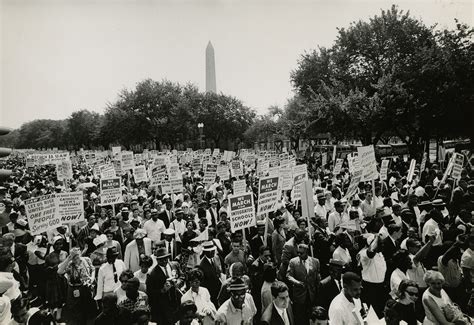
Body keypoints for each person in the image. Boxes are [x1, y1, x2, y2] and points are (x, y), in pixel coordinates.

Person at [58, 246, 97, 324]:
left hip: (85, 288)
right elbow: (59, 271)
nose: (76, 259)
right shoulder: (69, 264)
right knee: (75, 311)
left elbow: (93, 269)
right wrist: (69, 258)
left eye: (77, 256)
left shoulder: (86, 260)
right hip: (73, 289)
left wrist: (92, 278)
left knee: (87, 309)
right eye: (73, 257)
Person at [146, 247, 182, 325]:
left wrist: (179, 282)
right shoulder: (152, 274)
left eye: (166, 258)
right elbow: (150, 293)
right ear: (157, 260)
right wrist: (162, 290)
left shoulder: (174, 265)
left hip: (176, 303)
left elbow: (182, 276)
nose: (164, 261)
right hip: (163, 307)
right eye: (161, 259)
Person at [287, 243, 320, 325]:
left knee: (311, 316)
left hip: (311, 295)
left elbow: (318, 277)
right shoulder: (293, 262)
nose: (299, 254)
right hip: (299, 296)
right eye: (298, 252)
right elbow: (288, 276)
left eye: (301, 253)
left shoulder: (315, 261)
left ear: (307, 252)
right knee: (300, 318)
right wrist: (297, 282)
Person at [357, 233, 387, 318]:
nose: (383, 245)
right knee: (370, 316)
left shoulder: (380, 254)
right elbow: (370, 253)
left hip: (380, 288)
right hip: (369, 289)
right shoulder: (364, 253)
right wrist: (376, 237)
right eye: (380, 243)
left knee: (380, 315)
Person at [199, 241, 223, 306]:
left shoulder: (216, 258)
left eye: (213, 250)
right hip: (210, 294)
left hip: (218, 291)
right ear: (205, 252)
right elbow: (203, 284)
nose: (212, 252)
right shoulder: (201, 265)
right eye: (210, 251)